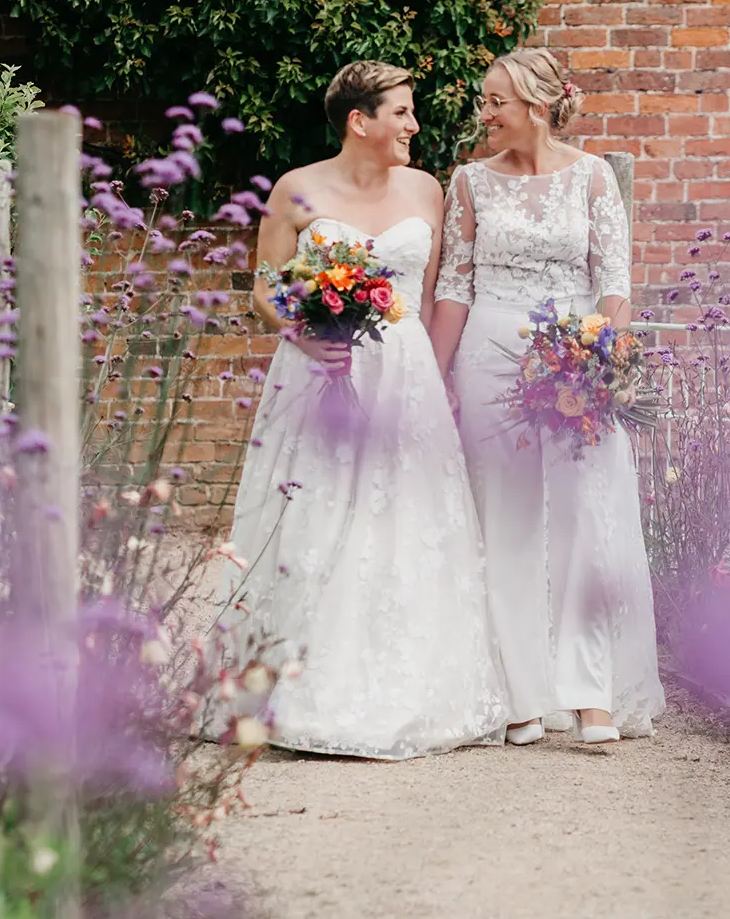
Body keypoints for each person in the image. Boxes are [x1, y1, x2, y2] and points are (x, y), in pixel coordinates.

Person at [219, 60, 506, 758]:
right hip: (321, 373)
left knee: (404, 523)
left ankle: (405, 688)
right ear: (360, 120)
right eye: (402, 112)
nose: (414, 125)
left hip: (404, 374)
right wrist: (304, 330)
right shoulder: (298, 189)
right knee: (314, 518)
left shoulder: (426, 189)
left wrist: (444, 376)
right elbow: (265, 289)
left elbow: (436, 291)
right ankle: (297, 685)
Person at [430, 47, 664, 746]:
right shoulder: (469, 182)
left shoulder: (594, 178)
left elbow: (615, 280)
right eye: (485, 100)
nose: (485, 113)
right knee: (504, 520)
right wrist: (432, 377)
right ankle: (521, 695)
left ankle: (592, 692)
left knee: (585, 517)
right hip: (490, 356)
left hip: (573, 352)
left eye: (495, 100)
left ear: (535, 103)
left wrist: (595, 354)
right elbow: (454, 286)